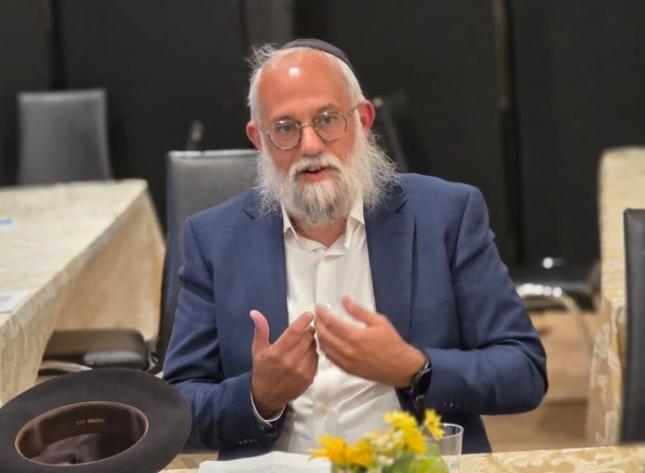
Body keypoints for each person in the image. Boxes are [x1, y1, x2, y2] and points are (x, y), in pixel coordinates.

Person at [163, 38, 547, 460]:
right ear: (259, 139)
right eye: (286, 128)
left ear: (363, 120)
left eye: (328, 120)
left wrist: (414, 368)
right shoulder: (213, 238)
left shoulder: (446, 216)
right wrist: (259, 395)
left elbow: (524, 371)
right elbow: (176, 413)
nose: (310, 146)